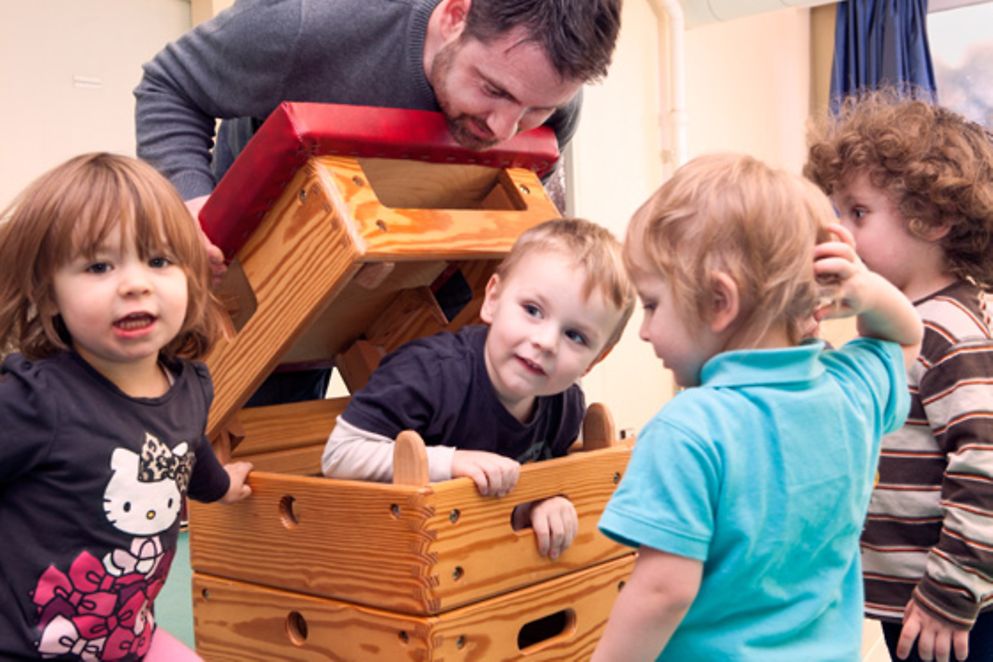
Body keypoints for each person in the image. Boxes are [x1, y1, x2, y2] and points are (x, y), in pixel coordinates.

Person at [591, 153, 923, 661]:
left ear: (720, 302)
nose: (644, 329)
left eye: (652, 303)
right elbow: (906, 339)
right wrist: (867, 293)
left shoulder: (687, 429)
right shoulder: (850, 394)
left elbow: (663, 592)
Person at [0, 153, 253, 661]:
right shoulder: (35, 401)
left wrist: (222, 485)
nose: (136, 283)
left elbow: (185, 447)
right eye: (98, 266)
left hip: (127, 637)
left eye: (159, 261)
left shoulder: (189, 386)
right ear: (49, 297)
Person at [322, 218, 635, 560]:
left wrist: (545, 502)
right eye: (532, 310)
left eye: (575, 336)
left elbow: (532, 483)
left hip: (477, 566)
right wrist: (450, 462)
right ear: (493, 299)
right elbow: (338, 456)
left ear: (595, 359)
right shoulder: (428, 373)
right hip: (396, 559)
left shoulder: (565, 406)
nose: (545, 342)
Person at [806, 94, 993, 662]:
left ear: (933, 219)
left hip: (951, 610)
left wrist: (948, 594)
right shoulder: (891, 324)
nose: (839, 230)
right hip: (908, 598)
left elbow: (987, 468)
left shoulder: (947, 330)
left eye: (857, 213)